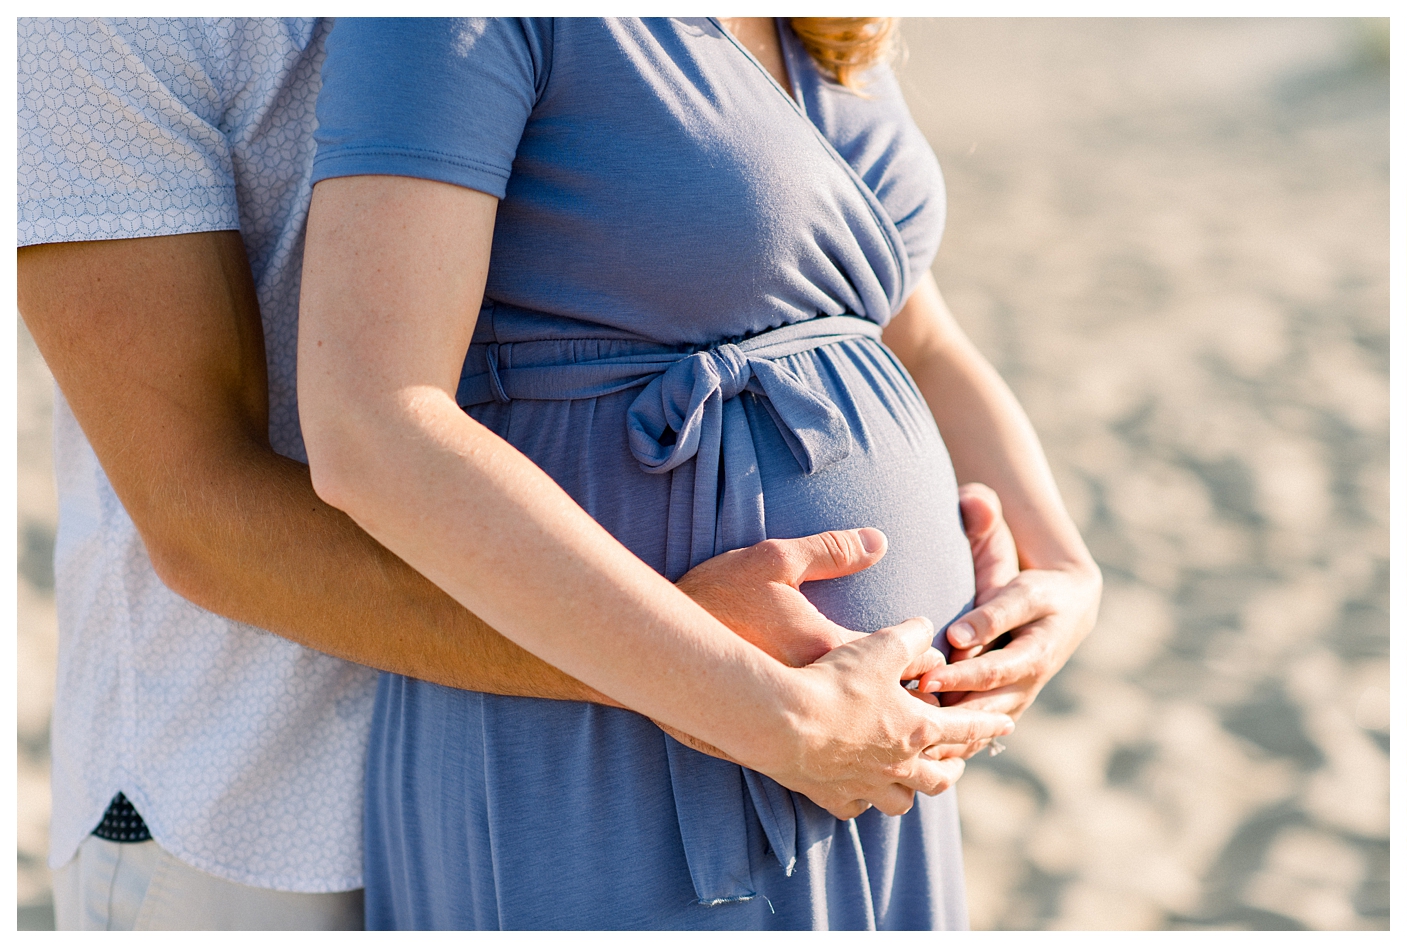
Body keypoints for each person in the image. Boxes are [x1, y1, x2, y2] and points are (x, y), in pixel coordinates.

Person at [16, 17, 1035, 929]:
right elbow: (203, 519)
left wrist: (1053, 574)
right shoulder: (104, 27)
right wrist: (710, 675)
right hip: (254, 796)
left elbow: (883, 311)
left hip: (671, 728)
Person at [295, 17, 1101, 929]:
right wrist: (773, 715)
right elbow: (371, 423)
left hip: (873, 755)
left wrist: (1064, 566)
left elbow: (917, 336)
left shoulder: (820, 25)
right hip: (615, 747)